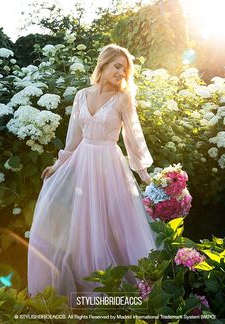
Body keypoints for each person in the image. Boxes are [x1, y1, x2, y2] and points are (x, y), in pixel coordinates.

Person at [27, 44, 158, 307]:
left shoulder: (123, 99)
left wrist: (145, 175)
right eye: (116, 66)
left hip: (110, 166)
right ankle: (86, 286)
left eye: (125, 68)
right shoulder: (81, 95)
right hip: (83, 162)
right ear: (103, 65)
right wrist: (58, 165)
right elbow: (74, 136)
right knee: (85, 224)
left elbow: (133, 138)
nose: (121, 72)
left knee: (115, 223)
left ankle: (126, 288)